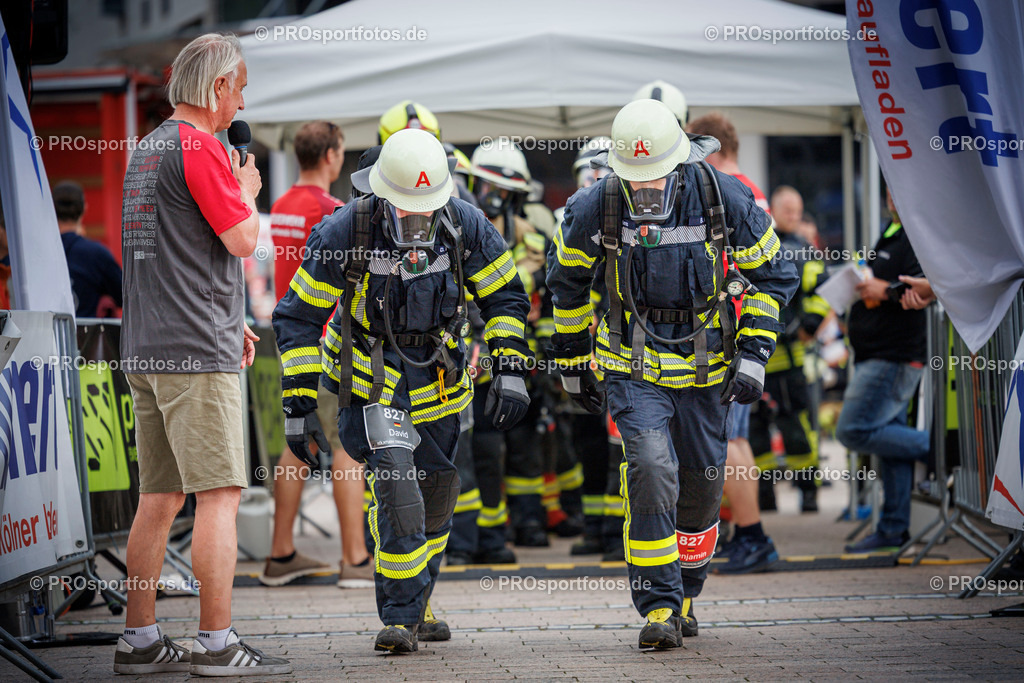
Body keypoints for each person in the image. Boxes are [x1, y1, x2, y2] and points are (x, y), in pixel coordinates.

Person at [547, 99, 798, 649]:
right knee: (651, 467)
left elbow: (775, 276)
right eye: (634, 178)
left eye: (655, 176)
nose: (645, 190)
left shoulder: (723, 196)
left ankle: (685, 593)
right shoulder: (595, 205)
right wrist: (572, 364)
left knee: (702, 487)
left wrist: (754, 353)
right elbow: (566, 285)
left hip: (707, 369)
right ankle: (658, 606)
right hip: (631, 368)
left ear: (681, 162)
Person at [273, 128, 532, 653]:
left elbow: (505, 296)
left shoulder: (464, 223)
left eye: (425, 211)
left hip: (439, 381)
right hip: (373, 382)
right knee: (398, 490)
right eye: (406, 212)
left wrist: (508, 366)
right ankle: (400, 617)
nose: (417, 223)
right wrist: (299, 403)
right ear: (382, 194)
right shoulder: (346, 229)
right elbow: (298, 317)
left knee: (437, 495)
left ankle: (419, 598)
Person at [115, 33, 291, 676]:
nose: (242, 102)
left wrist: (229, 316)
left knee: (159, 496)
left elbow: (176, 252)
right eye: (239, 88)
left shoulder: (146, 148)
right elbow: (243, 240)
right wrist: (246, 187)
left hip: (149, 346)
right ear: (218, 87)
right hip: (195, 354)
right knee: (219, 495)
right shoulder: (201, 147)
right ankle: (217, 644)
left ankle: (139, 639)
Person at [259, 121, 376, 588]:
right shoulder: (332, 210)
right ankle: (355, 560)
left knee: (298, 443)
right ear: (330, 155)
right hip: (328, 340)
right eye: (341, 151)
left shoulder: (282, 205)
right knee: (347, 445)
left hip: (290, 337)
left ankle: (280, 553)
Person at [687, 112, 778, 574]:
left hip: (734, 331)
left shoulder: (728, 190)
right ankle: (747, 533)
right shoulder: (750, 189)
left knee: (731, 440)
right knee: (734, 437)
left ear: (711, 147)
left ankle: (752, 535)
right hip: (748, 330)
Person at [467, 141, 554, 551]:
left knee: (524, 446)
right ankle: (489, 532)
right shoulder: (462, 232)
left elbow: (540, 288)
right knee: (485, 447)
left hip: (522, 357)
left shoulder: (530, 236)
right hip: (477, 360)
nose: (493, 197)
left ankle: (529, 522)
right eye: (487, 187)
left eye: (502, 190)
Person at [839, 188, 932, 552]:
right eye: (889, 186)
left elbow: (925, 288)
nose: (893, 194)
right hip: (878, 352)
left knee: (853, 429)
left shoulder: (917, 233)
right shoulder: (891, 231)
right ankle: (893, 528)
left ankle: (939, 451)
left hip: (893, 355)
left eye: (899, 185)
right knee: (889, 442)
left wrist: (885, 290)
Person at [751, 186, 829, 512]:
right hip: (754, 358)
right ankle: (764, 495)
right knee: (755, 430)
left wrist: (810, 325)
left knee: (796, 427)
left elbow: (823, 290)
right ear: (773, 209)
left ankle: (808, 492)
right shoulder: (757, 243)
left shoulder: (804, 249)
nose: (794, 216)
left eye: (798, 211)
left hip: (790, 357)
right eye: (788, 210)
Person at [53, 181, 123, 318]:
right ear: (84, 208)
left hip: (46, 330)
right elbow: (123, 295)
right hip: (85, 330)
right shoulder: (97, 254)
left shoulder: (38, 254)